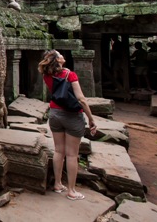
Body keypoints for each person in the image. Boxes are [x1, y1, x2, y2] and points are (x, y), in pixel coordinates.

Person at [38, 50, 97, 201]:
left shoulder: (47, 75)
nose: (63, 55)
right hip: (71, 115)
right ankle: (71, 190)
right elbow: (81, 99)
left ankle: (58, 184)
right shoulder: (70, 75)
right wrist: (90, 118)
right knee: (72, 154)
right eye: (60, 54)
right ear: (56, 59)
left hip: (55, 114)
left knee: (59, 151)